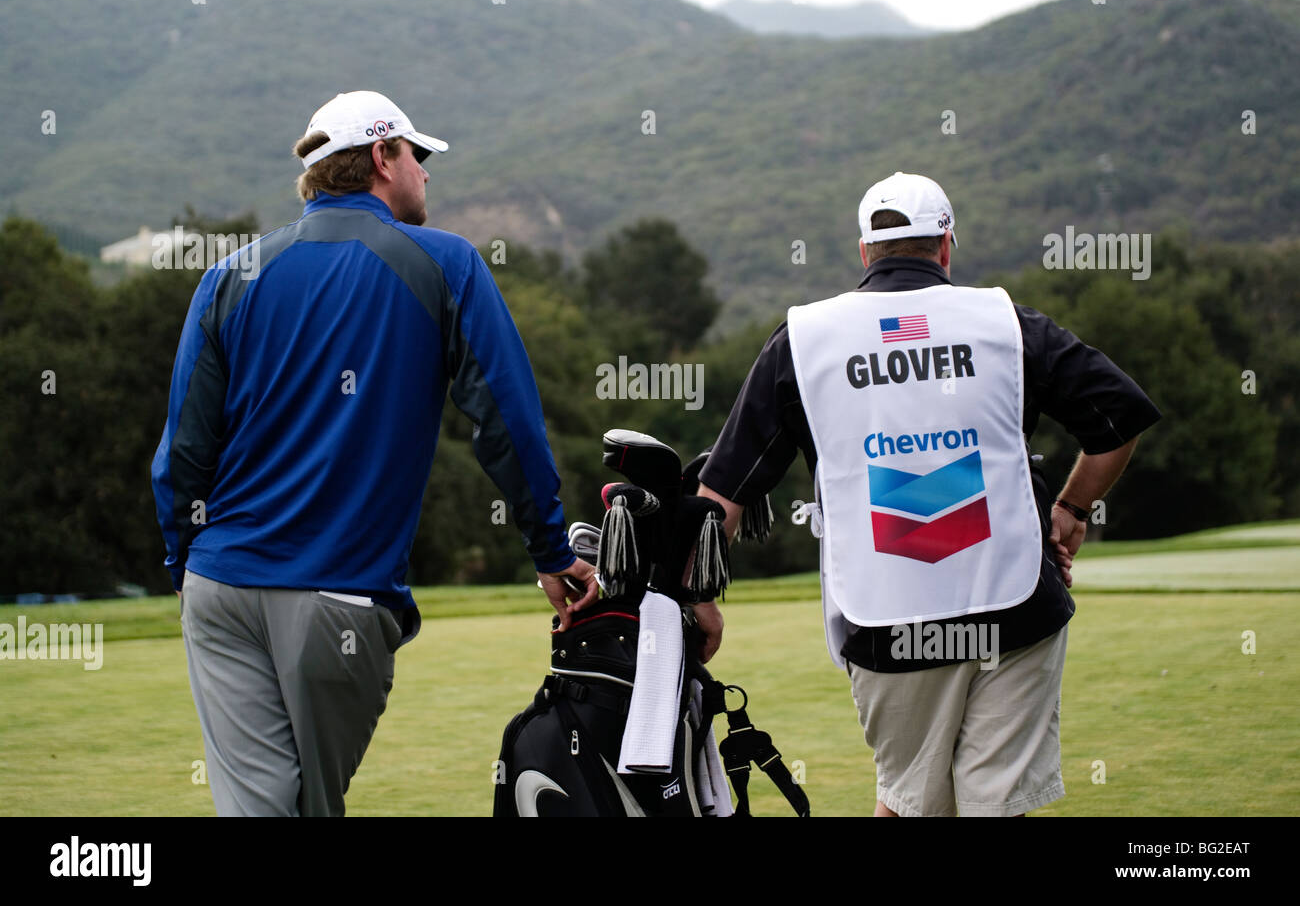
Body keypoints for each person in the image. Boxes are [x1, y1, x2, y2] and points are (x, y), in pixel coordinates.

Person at [151, 90, 598, 816]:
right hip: (339, 596)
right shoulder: (444, 262)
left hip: (218, 589)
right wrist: (549, 549)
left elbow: (184, 452)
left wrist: (184, 564)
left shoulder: (227, 276)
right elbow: (506, 421)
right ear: (383, 156)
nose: (427, 173)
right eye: (418, 156)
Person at [695, 171, 1160, 817]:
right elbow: (1121, 414)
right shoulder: (1004, 323)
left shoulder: (803, 340)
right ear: (946, 246)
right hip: (1016, 606)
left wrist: (691, 600)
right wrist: (1072, 509)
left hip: (887, 618)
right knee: (993, 808)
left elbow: (720, 499)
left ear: (864, 253)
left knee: (908, 802)